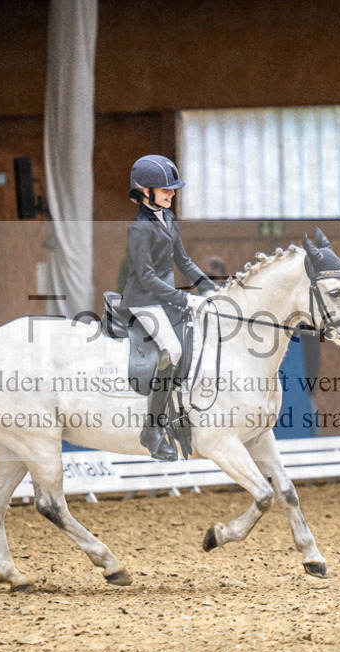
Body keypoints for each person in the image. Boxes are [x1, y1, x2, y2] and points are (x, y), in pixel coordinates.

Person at [121, 154, 219, 461]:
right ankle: (152, 429)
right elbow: (147, 277)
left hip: (165, 299)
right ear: (146, 191)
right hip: (143, 300)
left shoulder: (169, 219)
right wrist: (184, 298)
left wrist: (208, 287)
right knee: (173, 351)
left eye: (172, 189)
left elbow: (183, 261)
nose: (172, 193)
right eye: (166, 189)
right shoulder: (139, 229)